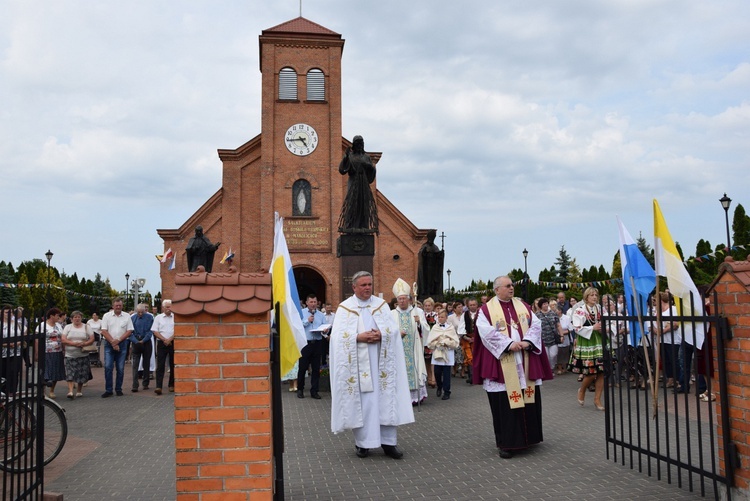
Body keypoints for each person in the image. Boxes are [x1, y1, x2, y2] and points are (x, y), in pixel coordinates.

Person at [330, 271, 413, 459]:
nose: (368, 288)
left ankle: (389, 443)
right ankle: (363, 444)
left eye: (369, 284)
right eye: (363, 285)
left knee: (386, 399)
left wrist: (382, 335)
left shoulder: (381, 306)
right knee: (364, 403)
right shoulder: (345, 308)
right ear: (354, 287)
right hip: (358, 367)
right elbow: (335, 338)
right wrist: (358, 337)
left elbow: (393, 331)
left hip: (381, 364)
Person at [473, 276, 552, 459]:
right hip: (503, 360)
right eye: (507, 286)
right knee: (504, 403)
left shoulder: (522, 305)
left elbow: (536, 324)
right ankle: (507, 443)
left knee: (527, 399)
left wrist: (526, 342)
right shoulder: (486, 310)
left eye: (512, 285)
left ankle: (528, 438)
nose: (511, 288)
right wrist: (509, 344)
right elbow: (486, 332)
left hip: (524, 357)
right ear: (497, 289)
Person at [391, 279, 428, 405]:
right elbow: (389, 332)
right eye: (400, 299)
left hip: (414, 349)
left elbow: (426, 330)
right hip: (398, 350)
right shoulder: (392, 314)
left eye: (404, 298)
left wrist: (419, 323)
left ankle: (416, 397)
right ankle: (402, 398)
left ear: (409, 299)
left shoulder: (418, 312)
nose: (402, 301)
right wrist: (397, 334)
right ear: (397, 301)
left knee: (415, 368)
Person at [568, 287, 605, 410]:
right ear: (586, 297)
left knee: (601, 371)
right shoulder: (580, 310)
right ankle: (582, 390)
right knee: (590, 372)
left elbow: (608, 323)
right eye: (591, 295)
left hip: (600, 340)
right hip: (588, 341)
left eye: (596, 295)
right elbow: (576, 328)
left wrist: (606, 329)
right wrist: (592, 328)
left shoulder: (601, 309)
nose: (594, 297)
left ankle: (597, 399)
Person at [337, 135, 378, 233]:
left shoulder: (366, 157)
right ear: (354, 145)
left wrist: (369, 167)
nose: (360, 145)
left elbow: (371, 172)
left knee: (363, 204)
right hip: (353, 183)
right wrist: (346, 157)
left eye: (361, 143)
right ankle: (351, 225)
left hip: (363, 185)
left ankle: (363, 225)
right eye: (358, 143)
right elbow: (342, 170)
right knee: (352, 203)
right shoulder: (350, 156)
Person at [100, 297, 134, 398]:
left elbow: (129, 330)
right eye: (116, 305)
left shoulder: (127, 316)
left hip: (122, 344)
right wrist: (113, 343)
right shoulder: (106, 316)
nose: (118, 307)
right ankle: (108, 390)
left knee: (120, 368)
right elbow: (104, 331)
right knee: (108, 367)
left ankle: (118, 389)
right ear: (113, 306)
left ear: (122, 306)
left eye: (120, 305)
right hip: (108, 344)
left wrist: (118, 341)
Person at [297, 294, 326, 399]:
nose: (313, 304)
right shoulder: (302, 313)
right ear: (307, 303)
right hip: (305, 343)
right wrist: (307, 321)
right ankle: (300, 389)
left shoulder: (321, 315)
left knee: (316, 368)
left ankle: (314, 391)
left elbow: (324, 326)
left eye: (315, 302)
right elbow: (298, 326)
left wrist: (325, 331)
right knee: (303, 367)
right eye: (311, 302)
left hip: (317, 343)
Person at [61, 311, 95, 399]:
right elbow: (63, 340)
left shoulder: (87, 327)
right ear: (71, 319)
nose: (77, 319)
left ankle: (79, 391)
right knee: (70, 373)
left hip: (83, 354)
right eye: (75, 317)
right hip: (70, 354)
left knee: (81, 373)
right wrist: (74, 344)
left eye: (78, 317)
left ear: (81, 318)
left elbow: (92, 339)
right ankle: (70, 391)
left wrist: (85, 343)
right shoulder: (67, 327)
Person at [427, 309, 459, 400]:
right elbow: (430, 342)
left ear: (446, 318)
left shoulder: (450, 328)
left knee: (446, 374)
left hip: (448, 352)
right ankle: (439, 386)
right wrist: (437, 343)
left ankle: (447, 391)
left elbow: (455, 341)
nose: (440, 319)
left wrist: (447, 342)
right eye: (439, 317)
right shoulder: (435, 327)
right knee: (437, 372)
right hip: (438, 353)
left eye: (442, 317)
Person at [36, 307, 66, 398]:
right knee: (46, 371)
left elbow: (62, 338)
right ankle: (42, 390)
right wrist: (37, 352)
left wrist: (64, 349)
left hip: (57, 351)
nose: (59, 317)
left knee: (56, 371)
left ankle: (52, 390)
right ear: (51, 316)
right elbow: (37, 339)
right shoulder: (42, 325)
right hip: (46, 351)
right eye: (57, 315)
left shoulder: (59, 325)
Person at [129, 303, 154, 392]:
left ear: (145, 311)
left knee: (146, 364)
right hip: (136, 342)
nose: (140, 314)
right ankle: (135, 385)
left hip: (146, 342)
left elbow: (151, 331)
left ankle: (145, 383)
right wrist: (136, 341)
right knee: (135, 365)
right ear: (136, 311)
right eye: (138, 312)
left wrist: (144, 340)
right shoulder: (132, 318)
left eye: (142, 312)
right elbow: (129, 331)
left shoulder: (150, 317)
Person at [152, 299, 175, 395]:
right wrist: (164, 339)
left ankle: (171, 385)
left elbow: (178, 329)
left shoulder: (175, 317)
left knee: (173, 364)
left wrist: (170, 339)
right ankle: (158, 386)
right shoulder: (158, 318)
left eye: (170, 307)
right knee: (160, 365)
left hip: (173, 342)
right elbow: (154, 331)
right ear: (163, 308)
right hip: (161, 343)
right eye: (167, 307)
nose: (169, 309)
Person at [1, 306, 23, 395]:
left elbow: (22, 336)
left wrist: (18, 343)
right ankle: (3, 394)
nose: (9, 314)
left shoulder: (17, 324)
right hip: (3, 353)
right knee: (3, 374)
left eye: (11, 312)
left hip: (16, 352)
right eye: (7, 312)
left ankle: (12, 393)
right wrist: (7, 344)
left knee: (14, 373)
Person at [417, 230, 444, 298]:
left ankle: (433, 291)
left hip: (434, 267)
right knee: (426, 280)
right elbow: (421, 254)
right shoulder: (424, 246)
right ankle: (426, 291)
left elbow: (438, 256)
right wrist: (424, 253)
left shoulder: (435, 247)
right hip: (426, 268)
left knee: (433, 280)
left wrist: (441, 253)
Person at [462, 298, 479, 383]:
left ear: (477, 305)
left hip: (479, 339)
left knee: (478, 357)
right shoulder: (464, 314)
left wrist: (477, 338)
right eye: (471, 305)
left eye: (474, 305)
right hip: (467, 338)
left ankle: (478, 375)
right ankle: (471, 376)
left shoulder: (481, 314)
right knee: (469, 357)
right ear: (468, 306)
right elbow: (461, 327)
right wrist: (467, 338)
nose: (472, 306)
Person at [422, 297, 438, 388]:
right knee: (426, 360)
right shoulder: (421, 315)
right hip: (424, 340)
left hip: (432, 339)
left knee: (433, 360)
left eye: (429, 305)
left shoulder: (435, 315)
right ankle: (428, 377)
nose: (427, 307)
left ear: (432, 306)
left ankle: (433, 377)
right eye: (426, 305)